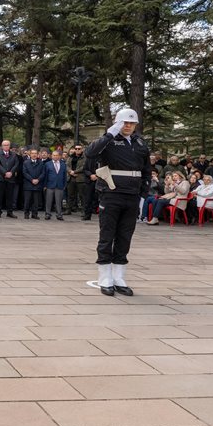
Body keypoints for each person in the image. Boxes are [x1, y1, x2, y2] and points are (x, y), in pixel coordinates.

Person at [85, 108, 150, 296]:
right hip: (111, 193)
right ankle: (105, 276)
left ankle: (119, 276)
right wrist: (109, 134)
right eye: (124, 122)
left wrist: (143, 196)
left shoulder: (140, 143)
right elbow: (90, 153)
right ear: (117, 123)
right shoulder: (109, 141)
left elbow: (146, 171)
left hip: (132, 195)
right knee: (107, 234)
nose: (128, 126)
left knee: (125, 236)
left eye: (131, 123)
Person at [0, 139, 18, 218]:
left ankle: (9, 212)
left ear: (9, 146)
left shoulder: (14, 154)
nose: (6, 146)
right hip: (1, 178)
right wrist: (5, 173)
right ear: (2, 146)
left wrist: (11, 172)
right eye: (4, 145)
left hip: (11, 178)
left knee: (10, 196)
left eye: (7, 145)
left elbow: (16, 164)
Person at [44, 150, 68, 220]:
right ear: (51, 156)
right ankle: (47, 214)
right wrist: (45, 185)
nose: (55, 156)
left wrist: (64, 185)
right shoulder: (47, 164)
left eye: (56, 155)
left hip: (59, 185)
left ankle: (59, 214)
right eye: (53, 155)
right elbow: (45, 175)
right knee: (48, 201)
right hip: (50, 185)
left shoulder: (63, 164)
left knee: (59, 201)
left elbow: (64, 176)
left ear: (59, 156)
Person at [22, 147, 45, 219]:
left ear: (38, 154)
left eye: (35, 153)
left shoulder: (41, 163)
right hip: (28, 184)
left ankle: (34, 214)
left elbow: (43, 173)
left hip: (37, 184)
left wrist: (38, 179)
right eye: (32, 153)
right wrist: (32, 180)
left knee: (36, 201)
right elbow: (24, 173)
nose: (34, 155)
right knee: (27, 200)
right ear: (30, 154)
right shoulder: (26, 162)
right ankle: (26, 214)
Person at [67, 144, 86, 214]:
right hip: (71, 178)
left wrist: (74, 171)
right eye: (76, 148)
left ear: (82, 149)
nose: (77, 150)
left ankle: (84, 210)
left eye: (79, 149)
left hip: (80, 179)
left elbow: (84, 167)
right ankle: (68, 210)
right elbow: (67, 165)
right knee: (70, 195)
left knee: (82, 195)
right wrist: (70, 172)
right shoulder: (70, 157)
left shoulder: (85, 157)